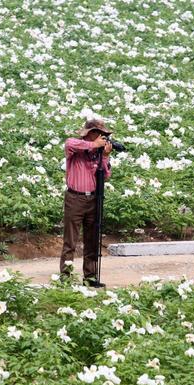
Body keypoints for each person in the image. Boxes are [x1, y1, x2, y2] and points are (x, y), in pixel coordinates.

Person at [59, 118, 114, 288]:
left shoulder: (97, 153)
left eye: (104, 135)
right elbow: (69, 143)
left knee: (92, 240)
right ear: (90, 134)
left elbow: (105, 176)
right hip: (75, 198)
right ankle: (66, 278)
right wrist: (93, 145)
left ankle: (90, 278)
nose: (102, 138)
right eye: (99, 134)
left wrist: (104, 156)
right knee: (71, 241)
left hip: (93, 199)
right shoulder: (75, 146)